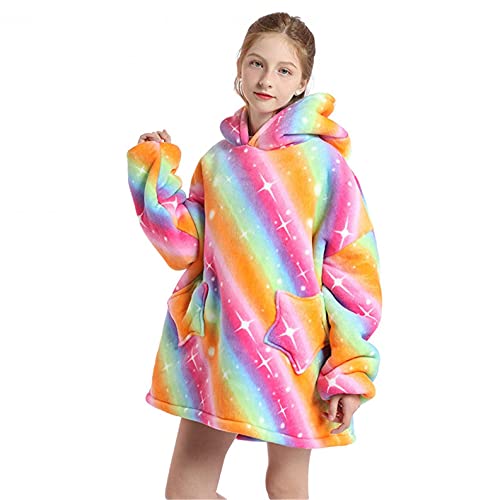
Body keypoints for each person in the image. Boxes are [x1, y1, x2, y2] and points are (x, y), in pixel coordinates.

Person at [126, 11, 382, 500]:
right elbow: (185, 246)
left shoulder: (323, 165)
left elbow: (353, 272)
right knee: (186, 491)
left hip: (292, 349)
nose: (267, 80)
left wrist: (350, 370)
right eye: (257, 64)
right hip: (220, 345)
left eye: (285, 70)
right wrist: (155, 174)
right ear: (240, 67)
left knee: (285, 484)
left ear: (302, 82)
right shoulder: (216, 161)